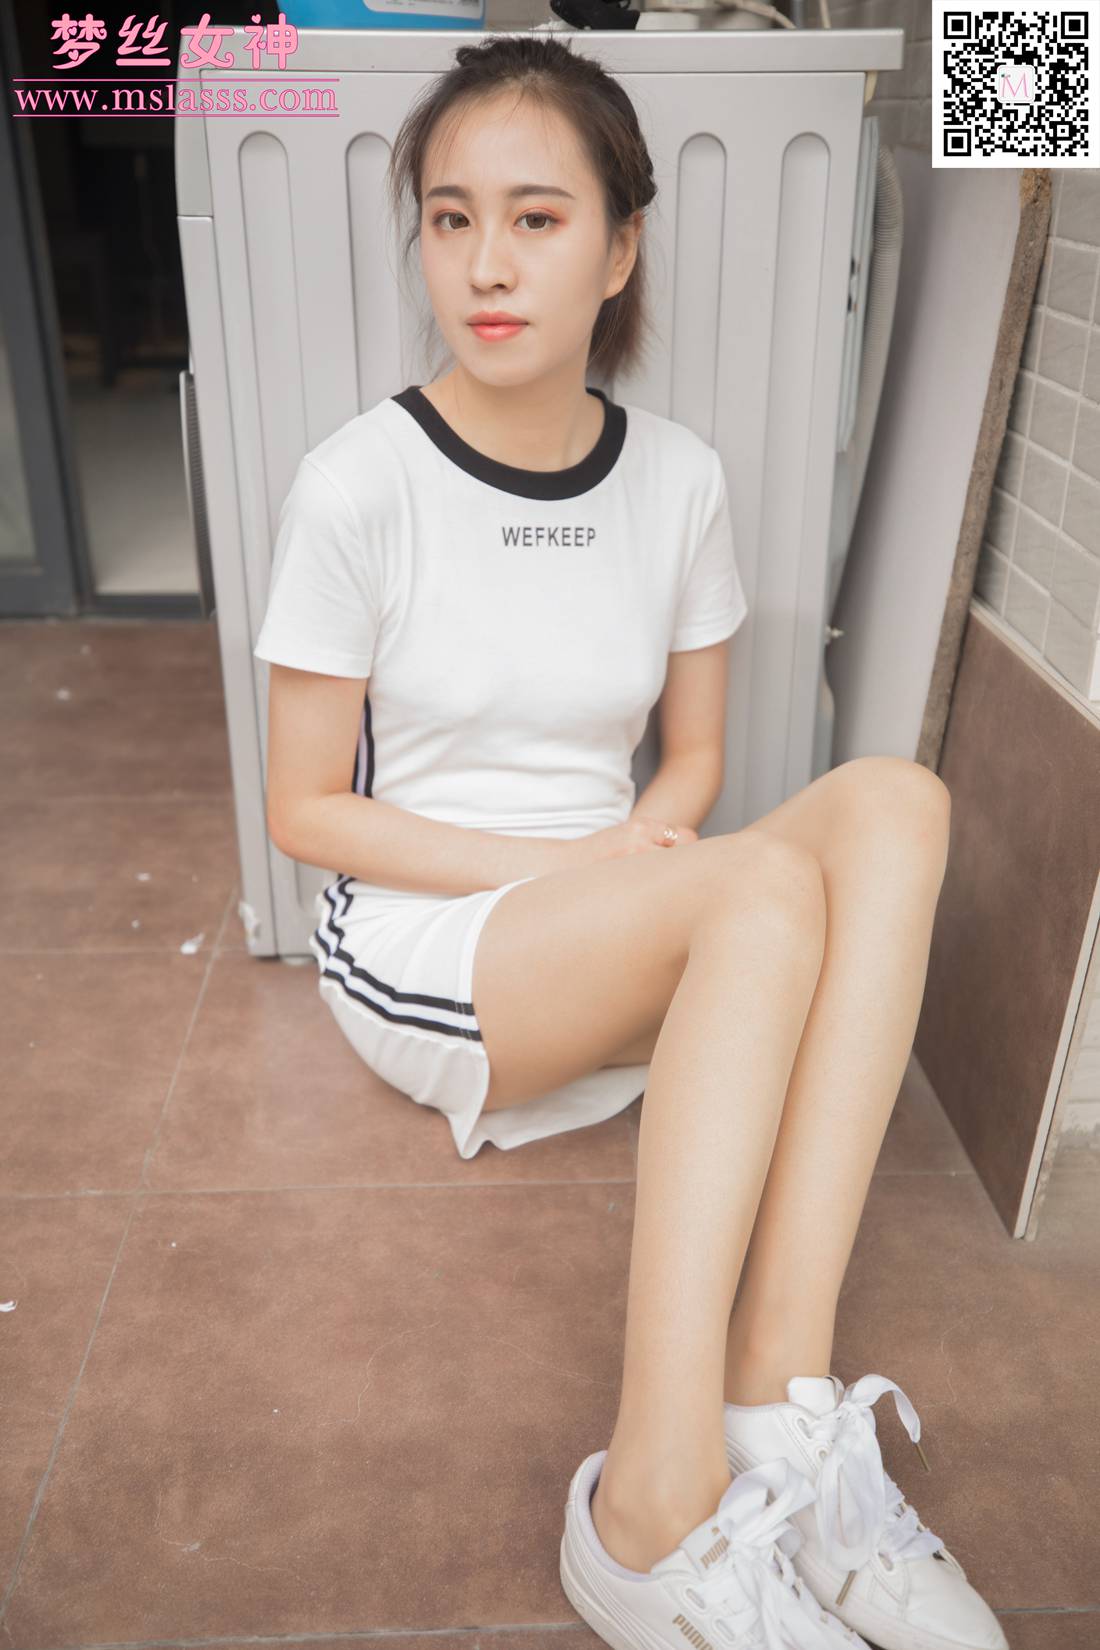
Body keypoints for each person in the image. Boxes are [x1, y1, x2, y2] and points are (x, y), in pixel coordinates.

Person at [253, 33, 1008, 1650]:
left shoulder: (677, 480)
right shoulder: (355, 487)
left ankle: (779, 1409)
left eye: (536, 218)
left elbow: (699, 757)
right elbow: (306, 810)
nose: (487, 264)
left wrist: (640, 850)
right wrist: (578, 873)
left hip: (616, 918)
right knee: (759, 889)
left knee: (896, 804)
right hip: (431, 934)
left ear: (619, 248)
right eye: (451, 218)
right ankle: (648, 1506)